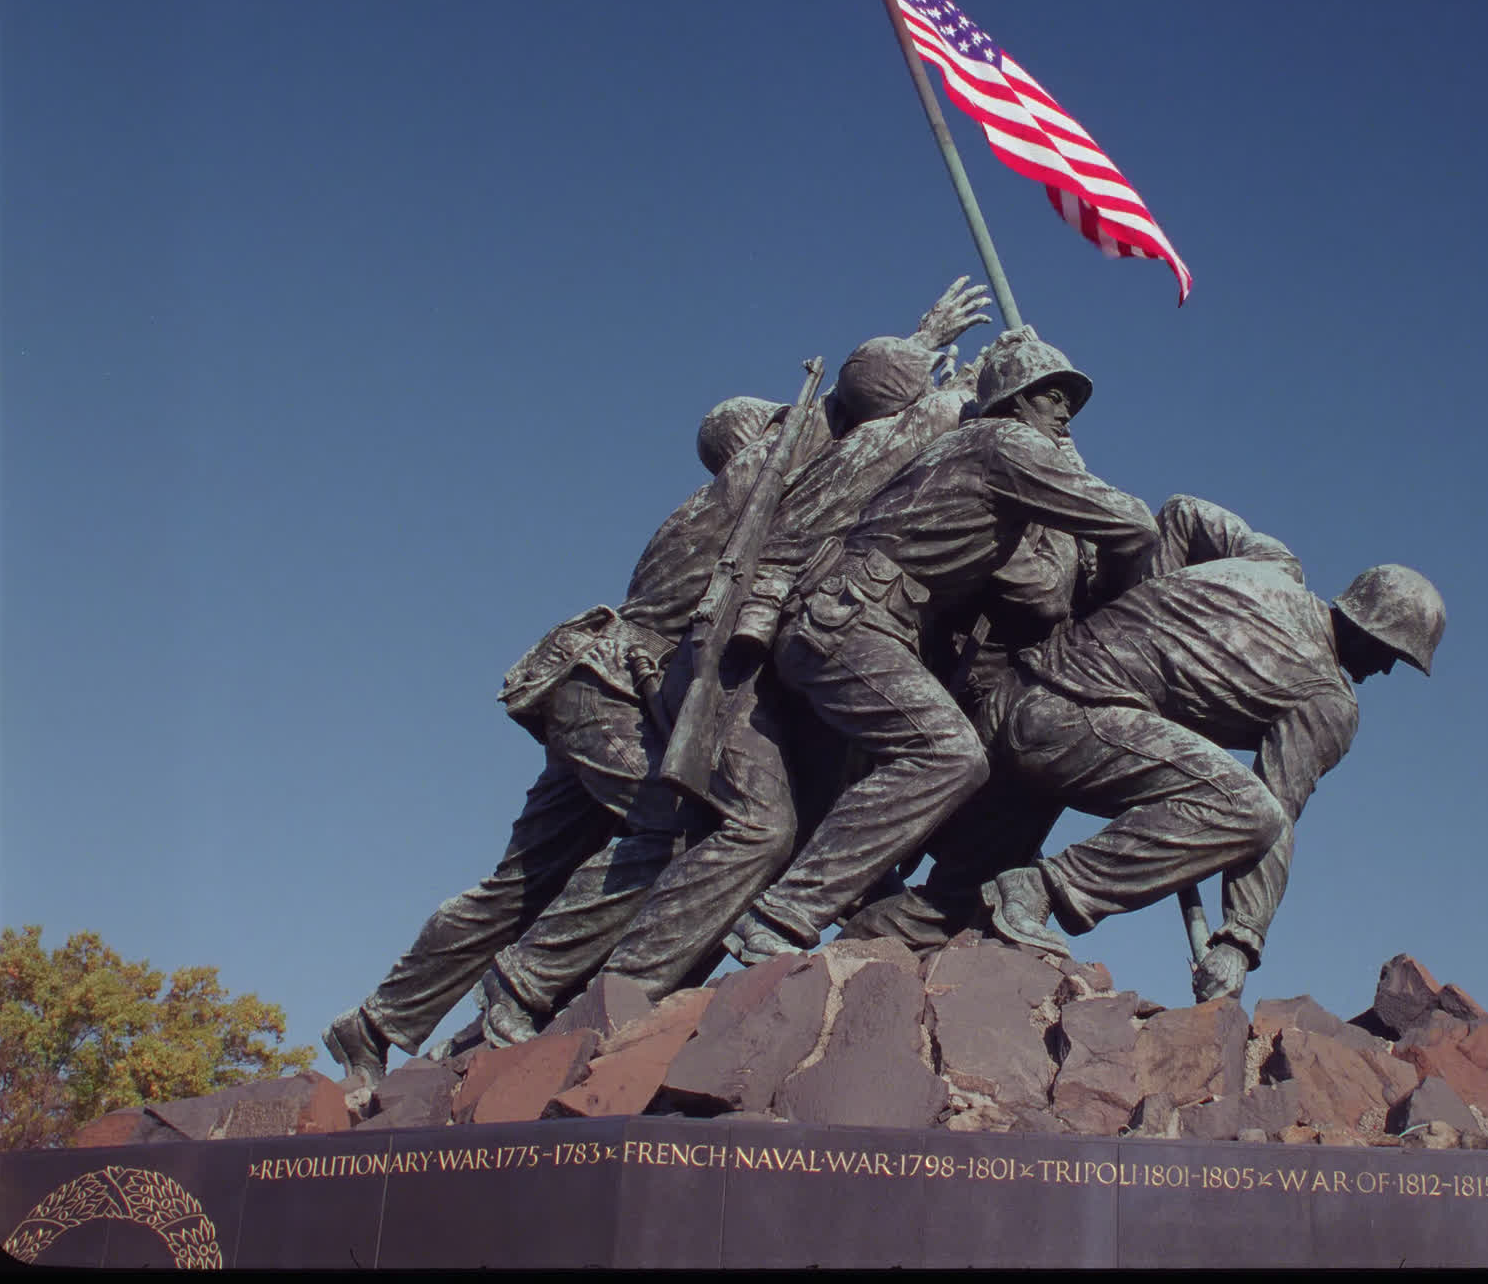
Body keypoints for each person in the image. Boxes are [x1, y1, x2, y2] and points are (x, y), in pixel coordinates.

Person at [320, 281, 992, 1084]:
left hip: (597, 687)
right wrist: (941, 370)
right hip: (618, 688)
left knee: (526, 878)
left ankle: (378, 1022)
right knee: (696, 829)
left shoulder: (720, 498)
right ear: (760, 438)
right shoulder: (754, 486)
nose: (797, 424)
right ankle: (525, 1001)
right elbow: (860, 427)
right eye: (781, 422)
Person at [849, 497, 1446, 1004]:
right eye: (1392, 655)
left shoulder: (1271, 565)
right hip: (1071, 725)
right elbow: (1274, 815)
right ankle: (1042, 890)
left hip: (1020, 703)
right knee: (1247, 810)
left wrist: (1132, 613)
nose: (1387, 672)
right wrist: (1241, 938)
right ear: (1371, 631)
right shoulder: (1328, 699)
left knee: (951, 904)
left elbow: (1181, 514)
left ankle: (848, 959)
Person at [719, 327, 1161, 964]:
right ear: (1014, 398)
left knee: (933, 775)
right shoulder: (1007, 444)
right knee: (948, 755)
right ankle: (783, 917)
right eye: (1051, 395)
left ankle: (847, 913)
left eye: (1069, 399)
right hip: (855, 620)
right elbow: (1134, 523)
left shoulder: (970, 446)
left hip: (861, 619)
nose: (1064, 411)